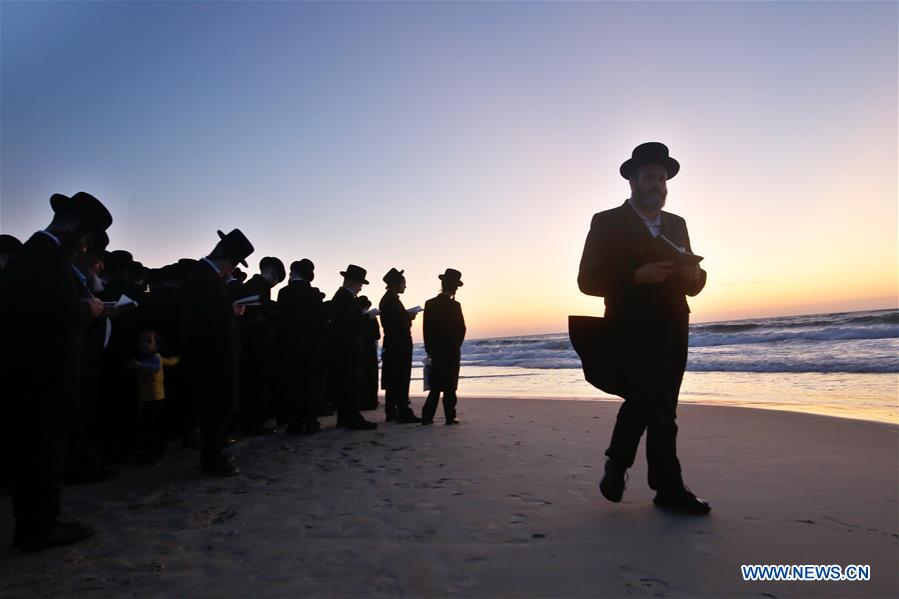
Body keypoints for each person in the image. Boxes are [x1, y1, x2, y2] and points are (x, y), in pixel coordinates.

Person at [576, 141, 710, 515]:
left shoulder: (677, 224)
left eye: (662, 178)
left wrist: (695, 276)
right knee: (654, 402)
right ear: (633, 181)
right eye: (650, 177)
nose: (658, 184)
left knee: (658, 403)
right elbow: (587, 280)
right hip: (629, 327)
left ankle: (622, 466)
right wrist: (637, 275)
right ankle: (666, 485)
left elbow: (693, 280)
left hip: (674, 325)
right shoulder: (606, 221)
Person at [1, 191, 111, 551]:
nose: (85, 248)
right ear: (75, 229)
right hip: (42, 375)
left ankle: (42, 520)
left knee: (44, 449)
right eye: (86, 240)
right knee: (41, 451)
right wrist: (88, 309)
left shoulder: (38, 254)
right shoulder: (44, 257)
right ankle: (38, 527)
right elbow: (50, 313)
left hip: (39, 372)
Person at [181, 229, 254, 476]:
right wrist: (230, 312)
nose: (232, 269)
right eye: (233, 263)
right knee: (215, 408)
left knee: (219, 407)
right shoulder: (203, 274)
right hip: (211, 357)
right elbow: (201, 315)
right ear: (224, 257)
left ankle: (215, 454)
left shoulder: (207, 275)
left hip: (216, 355)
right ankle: (212, 458)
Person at [277, 259, 328, 434]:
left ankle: (295, 423)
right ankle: (310, 422)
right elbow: (322, 322)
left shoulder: (284, 292)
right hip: (312, 347)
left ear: (293, 273)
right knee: (311, 385)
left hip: (291, 346)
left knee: (293, 385)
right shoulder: (314, 294)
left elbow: (281, 321)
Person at [238, 256, 285, 435]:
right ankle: (254, 424)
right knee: (256, 386)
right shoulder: (257, 288)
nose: (276, 283)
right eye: (277, 278)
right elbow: (255, 317)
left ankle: (254, 423)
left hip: (255, 345)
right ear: (272, 271)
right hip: (256, 346)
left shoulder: (255, 286)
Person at [327, 264, 377, 430]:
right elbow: (350, 323)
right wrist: (368, 316)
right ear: (354, 282)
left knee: (347, 383)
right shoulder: (345, 298)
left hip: (344, 347)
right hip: (347, 348)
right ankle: (352, 418)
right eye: (360, 284)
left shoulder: (342, 296)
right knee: (350, 383)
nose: (361, 288)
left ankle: (346, 417)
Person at [127, 329, 180, 463]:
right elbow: (167, 362)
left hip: (155, 398)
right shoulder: (148, 357)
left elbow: (156, 368)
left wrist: (139, 365)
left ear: (157, 346)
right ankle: (151, 451)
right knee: (149, 425)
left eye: (149, 341)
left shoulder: (155, 358)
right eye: (142, 340)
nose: (144, 343)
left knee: (151, 426)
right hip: (147, 397)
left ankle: (153, 454)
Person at [421, 268, 466, 425]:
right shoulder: (455, 305)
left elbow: (426, 329)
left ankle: (427, 416)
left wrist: (429, 349)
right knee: (450, 385)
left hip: (435, 350)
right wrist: (456, 345)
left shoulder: (430, 304)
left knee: (435, 385)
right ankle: (450, 416)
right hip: (451, 350)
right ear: (455, 288)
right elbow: (461, 328)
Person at [379, 268, 421, 423]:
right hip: (398, 344)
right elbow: (396, 324)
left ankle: (391, 411)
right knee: (401, 377)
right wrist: (409, 317)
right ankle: (403, 412)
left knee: (393, 378)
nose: (405, 286)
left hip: (393, 343)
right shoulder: (391, 300)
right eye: (403, 283)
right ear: (396, 284)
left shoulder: (389, 298)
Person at [356, 295, 381, 412]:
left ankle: (362, 400)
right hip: (370, 349)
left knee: (362, 376)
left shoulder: (357, 318)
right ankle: (372, 400)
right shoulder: (372, 318)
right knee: (371, 376)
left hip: (360, 348)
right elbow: (377, 335)